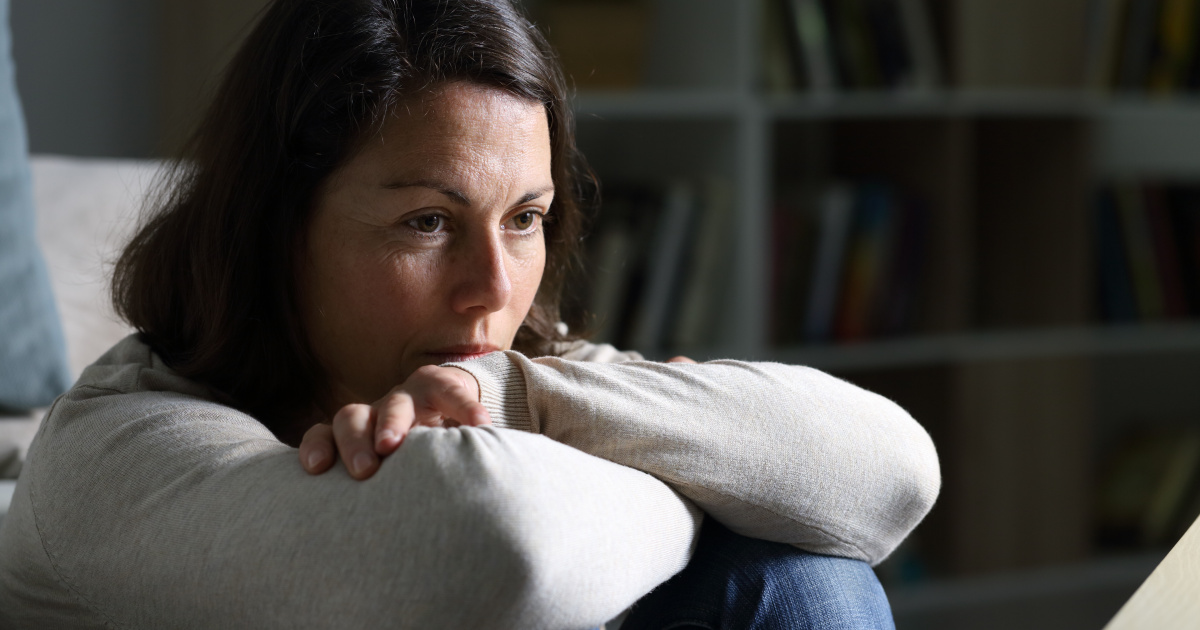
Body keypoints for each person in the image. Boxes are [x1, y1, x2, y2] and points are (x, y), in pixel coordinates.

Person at [0, 0, 940, 627]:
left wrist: (520, 400)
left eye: (524, 219)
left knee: (801, 581)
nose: (492, 287)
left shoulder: (509, 377)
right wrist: (713, 468)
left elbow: (892, 476)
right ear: (275, 229)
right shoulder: (119, 454)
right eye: (427, 222)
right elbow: (499, 549)